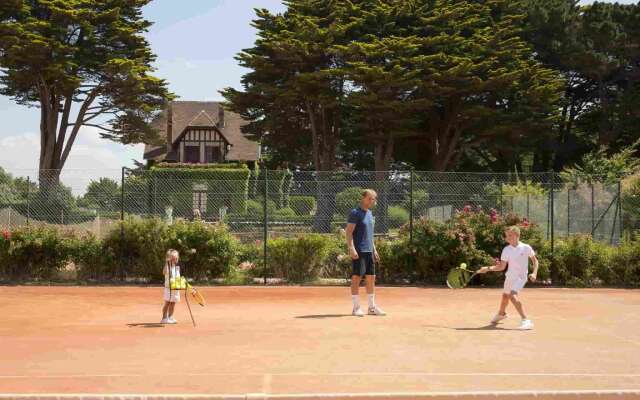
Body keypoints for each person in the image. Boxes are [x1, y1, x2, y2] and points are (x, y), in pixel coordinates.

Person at [477, 226, 539, 330]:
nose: (507, 238)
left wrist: (534, 273)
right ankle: (501, 314)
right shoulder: (506, 250)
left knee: (511, 295)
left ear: (517, 235)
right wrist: (487, 268)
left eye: (510, 235)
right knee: (505, 296)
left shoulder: (526, 247)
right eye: (506, 236)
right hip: (510, 276)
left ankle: (526, 320)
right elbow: (502, 267)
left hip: (521, 277)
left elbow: (535, 261)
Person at [345, 189, 386, 317]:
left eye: (374, 198)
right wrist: (351, 248)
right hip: (359, 250)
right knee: (357, 277)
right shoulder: (355, 213)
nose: (373, 201)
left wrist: (374, 249)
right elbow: (349, 232)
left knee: (371, 278)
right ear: (363, 198)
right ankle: (356, 308)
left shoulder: (369, 213)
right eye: (370, 198)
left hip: (369, 251)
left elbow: (370, 234)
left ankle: (371, 308)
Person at [161, 249, 181, 324]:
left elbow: (178, 278)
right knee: (167, 303)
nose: (175, 260)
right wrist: (167, 262)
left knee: (173, 303)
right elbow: (164, 272)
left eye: (176, 258)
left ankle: (170, 317)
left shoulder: (177, 267)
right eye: (173, 258)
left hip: (175, 289)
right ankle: (164, 318)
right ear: (170, 258)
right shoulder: (168, 267)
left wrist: (181, 283)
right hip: (168, 288)